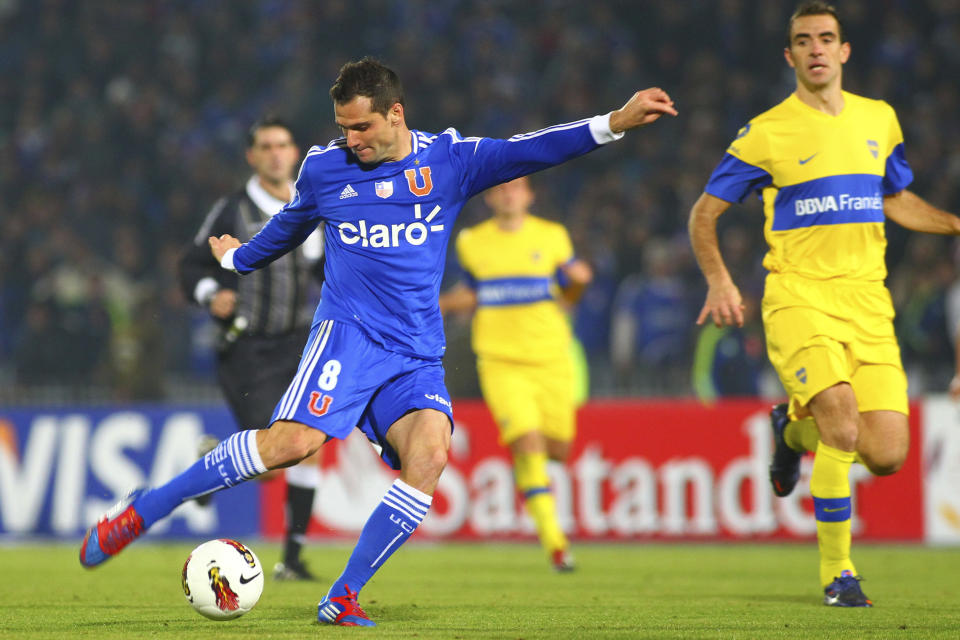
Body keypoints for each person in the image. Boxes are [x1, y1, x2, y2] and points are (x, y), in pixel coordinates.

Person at [79, 57, 676, 626]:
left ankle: (343, 596)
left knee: (431, 453)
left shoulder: (451, 161)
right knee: (289, 446)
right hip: (348, 338)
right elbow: (287, 227)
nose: (351, 139)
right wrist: (238, 259)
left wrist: (612, 123)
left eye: (361, 126)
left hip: (416, 353)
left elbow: (532, 148)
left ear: (396, 113)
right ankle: (143, 509)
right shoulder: (325, 167)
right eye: (343, 127)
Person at [688, 1, 960, 608]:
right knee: (841, 420)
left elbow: (897, 198)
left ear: (844, 52)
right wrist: (719, 280)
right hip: (798, 297)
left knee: (886, 453)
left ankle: (791, 433)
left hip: (868, 301)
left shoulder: (879, 120)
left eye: (827, 38)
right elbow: (704, 214)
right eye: (804, 40)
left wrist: (955, 224)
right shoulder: (767, 132)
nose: (816, 48)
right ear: (790, 56)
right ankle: (838, 575)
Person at [177, 116, 324, 581]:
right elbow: (191, 265)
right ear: (253, 156)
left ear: (295, 152)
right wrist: (209, 294)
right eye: (267, 146)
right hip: (248, 349)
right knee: (271, 456)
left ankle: (294, 558)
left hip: (300, 343)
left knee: (308, 443)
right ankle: (215, 457)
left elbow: (322, 271)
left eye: (284, 144)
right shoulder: (232, 210)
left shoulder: (312, 204)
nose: (277, 153)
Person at [439, 175, 592, 572]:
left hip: (551, 358)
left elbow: (568, 293)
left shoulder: (553, 236)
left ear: (529, 195)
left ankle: (527, 467)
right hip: (500, 360)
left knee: (556, 449)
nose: (508, 193)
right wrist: (436, 305)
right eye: (501, 188)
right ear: (490, 197)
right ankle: (556, 544)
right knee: (527, 442)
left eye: (516, 187)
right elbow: (473, 293)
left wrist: (578, 285)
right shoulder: (472, 242)